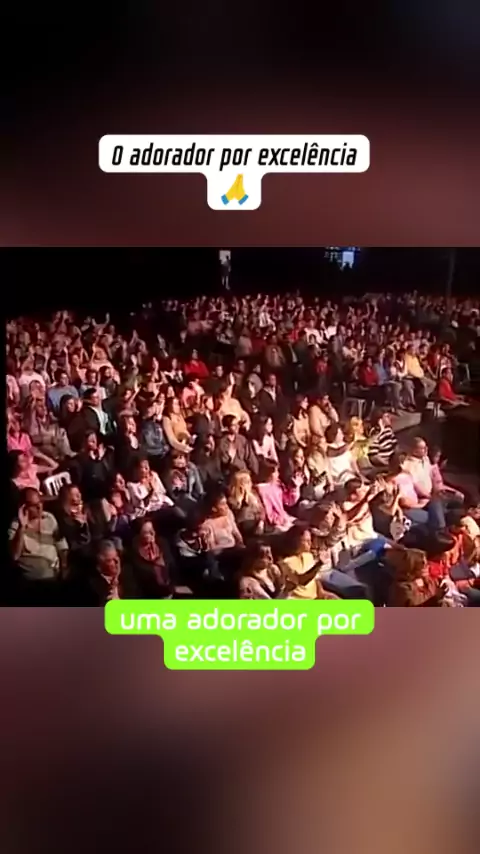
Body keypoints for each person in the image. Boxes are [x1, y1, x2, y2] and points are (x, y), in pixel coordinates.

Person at [8, 488, 69, 602]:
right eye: (34, 505)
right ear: (24, 507)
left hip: (55, 576)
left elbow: (61, 544)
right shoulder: (16, 525)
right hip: (34, 582)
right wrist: (22, 527)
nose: (39, 507)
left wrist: (64, 567)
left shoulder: (49, 518)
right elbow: (15, 555)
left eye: (40, 502)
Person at [279, 527, 338, 600]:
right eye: (306, 541)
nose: (310, 543)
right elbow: (301, 581)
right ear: (296, 541)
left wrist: (321, 592)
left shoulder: (308, 556)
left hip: (316, 597)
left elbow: (315, 579)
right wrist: (319, 564)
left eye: (310, 540)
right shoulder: (286, 562)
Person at [257, 461, 297, 532]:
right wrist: (282, 520)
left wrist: (294, 489)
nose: (278, 474)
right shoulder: (262, 490)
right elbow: (269, 514)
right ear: (268, 473)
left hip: (284, 518)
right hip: (275, 524)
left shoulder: (277, 484)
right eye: (276, 472)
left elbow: (288, 501)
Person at [227, 470, 265, 539]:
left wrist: (261, 523)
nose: (251, 484)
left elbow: (262, 511)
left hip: (258, 524)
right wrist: (241, 499)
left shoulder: (254, 494)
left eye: (250, 481)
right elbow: (237, 515)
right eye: (247, 482)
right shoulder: (231, 499)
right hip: (244, 526)